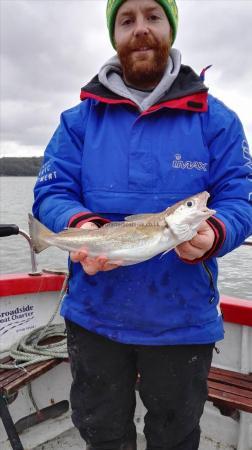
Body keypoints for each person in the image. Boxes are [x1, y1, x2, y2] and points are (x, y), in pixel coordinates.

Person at [33, 0, 252, 449]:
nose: (141, 29)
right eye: (126, 19)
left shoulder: (217, 120)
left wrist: (216, 232)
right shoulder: (78, 122)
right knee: (102, 434)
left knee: (175, 436)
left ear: (170, 27)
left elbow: (240, 195)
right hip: (94, 316)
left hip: (183, 321)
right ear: (114, 34)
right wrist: (83, 227)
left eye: (153, 16)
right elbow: (52, 190)